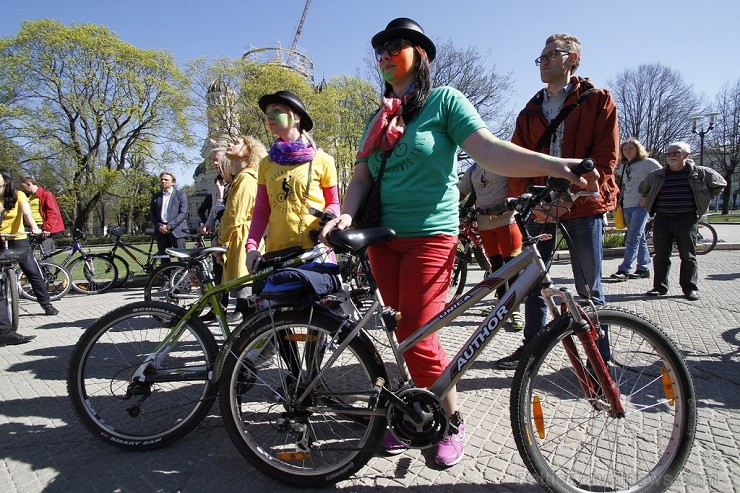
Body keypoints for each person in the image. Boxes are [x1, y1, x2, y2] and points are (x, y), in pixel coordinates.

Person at [319, 18, 598, 468]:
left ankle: (451, 421)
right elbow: (362, 176)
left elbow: (490, 150)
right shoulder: (381, 115)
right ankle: (414, 415)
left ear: (420, 54)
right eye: (381, 49)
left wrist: (559, 166)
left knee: (417, 334)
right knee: (403, 336)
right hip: (382, 240)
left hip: (430, 236)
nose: (386, 54)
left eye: (396, 45)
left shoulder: (445, 101)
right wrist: (345, 214)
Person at [493, 32, 619, 371]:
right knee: (533, 283)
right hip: (541, 208)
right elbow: (515, 163)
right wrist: (530, 203)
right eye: (541, 56)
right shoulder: (529, 111)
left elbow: (605, 159)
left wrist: (570, 197)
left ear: (573, 59)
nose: (544, 60)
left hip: (583, 204)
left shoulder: (598, 100)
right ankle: (530, 353)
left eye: (553, 53)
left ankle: (599, 361)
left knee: (589, 287)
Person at [245, 90, 340, 274]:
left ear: (296, 117)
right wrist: (251, 247)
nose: (269, 116)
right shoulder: (266, 163)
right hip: (276, 253)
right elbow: (261, 210)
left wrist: (328, 215)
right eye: (267, 114)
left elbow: (334, 202)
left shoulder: (323, 159)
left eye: (277, 110)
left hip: (314, 251)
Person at [639, 142, 726, 300]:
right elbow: (642, 188)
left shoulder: (700, 173)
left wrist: (705, 197)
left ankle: (690, 288)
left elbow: (720, 184)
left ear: (686, 155)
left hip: (687, 219)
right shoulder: (657, 175)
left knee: (688, 256)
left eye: (676, 153)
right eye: (668, 153)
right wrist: (647, 197)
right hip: (662, 218)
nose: (671, 156)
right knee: (661, 255)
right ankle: (659, 287)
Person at [458, 162, 524, 329]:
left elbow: (517, 185)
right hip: (485, 224)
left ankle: (514, 307)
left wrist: (507, 204)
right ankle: (501, 303)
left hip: (507, 221)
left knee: (512, 266)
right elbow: (460, 192)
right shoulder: (473, 169)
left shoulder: (502, 161)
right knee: (496, 266)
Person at [216, 135, 267, 324]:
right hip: (245, 239)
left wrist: (220, 242)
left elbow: (234, 216)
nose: (230, 144)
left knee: (247, 300)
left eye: (236, 142)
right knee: (248, 300)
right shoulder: (247, 176)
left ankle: (256, 347)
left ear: (248, 151)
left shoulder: (246, 178)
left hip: (243, 242)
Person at [0, 169, 58, 316]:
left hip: (18, 238)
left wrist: (34, 228)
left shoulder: (19, 196)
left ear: (6, 182)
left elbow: (27, 214)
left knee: (32, 271)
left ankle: (46, 304)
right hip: (0, 239)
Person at [610, 138, 661, 280]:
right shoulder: (626, 166)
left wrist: (649, 196)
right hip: (627, 205)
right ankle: (644, 268)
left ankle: (624, 269)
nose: (627, 152)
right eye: (625, 149)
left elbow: (662, 178)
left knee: (632, 238)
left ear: (638, 149)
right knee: (640, 238)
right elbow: (624, 186)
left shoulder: (649, 163)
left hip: (641, 206)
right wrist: (619, 201)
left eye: (630, 149)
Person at [19, 176, 65, 254]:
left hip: (42, 226)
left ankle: (47, 266)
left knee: (45, 253)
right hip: (31, 227)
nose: (22, 189)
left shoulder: (45, 194)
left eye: (23, 186)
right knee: (28, 253)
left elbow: (52, 212)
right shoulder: (28, 196)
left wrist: (47, 228)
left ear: (28, 184)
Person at [150, 172, 189, 262]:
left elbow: (183, 213)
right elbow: (152, 214)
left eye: (166, 179)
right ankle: (166, 276)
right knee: (164, 260)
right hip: (161, 232)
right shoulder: (156, 196)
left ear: (173, 182)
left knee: (183, 259)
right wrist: (159, 226)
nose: (163, 181)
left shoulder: (180, 195)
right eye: (162, 180)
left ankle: (185, 276)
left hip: (177, 231)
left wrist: (169, 226)